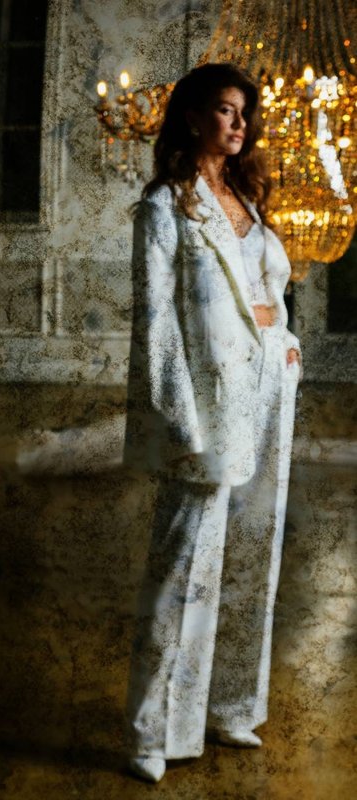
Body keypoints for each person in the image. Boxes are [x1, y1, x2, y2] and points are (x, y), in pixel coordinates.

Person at [122, 62, 302, 783]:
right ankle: (151, 731)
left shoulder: (247, 199)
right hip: (208, 401)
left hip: (269, 387)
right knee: (183, 566)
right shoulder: (165, 207)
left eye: (244, 112)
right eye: (226, 110)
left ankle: (232, 706)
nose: (240, 123)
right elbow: (156, 324)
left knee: (255, 550)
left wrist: (284, 341)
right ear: (194, 117)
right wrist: (177, 419)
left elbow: (268, 290)